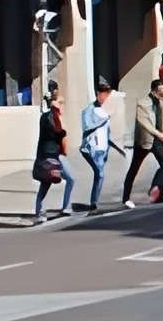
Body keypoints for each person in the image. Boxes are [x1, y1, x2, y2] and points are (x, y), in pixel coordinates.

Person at [29, 92, 70, 222]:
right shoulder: (47, 118)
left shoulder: (55, 117)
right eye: (60, 103)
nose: (62, 106)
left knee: (71, 178)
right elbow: (58, 132)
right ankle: (39, 212)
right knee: (45, 183)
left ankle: (65, 208)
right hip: (49, 155)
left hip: (57, 155)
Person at [77, 79, 115, 211]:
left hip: (103, 148)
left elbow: (108, 131)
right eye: (103, 95)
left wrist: (112, 146)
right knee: (99, 174)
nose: (105, 98)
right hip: (92, 148)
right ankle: (94, 203)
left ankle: (94, 201)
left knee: (99, 175)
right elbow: (87, 125)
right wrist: (103, 119)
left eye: (107, 95)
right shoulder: (89, 110)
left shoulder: (106, 110)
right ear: (98, 94)